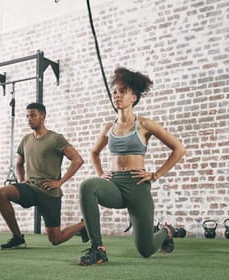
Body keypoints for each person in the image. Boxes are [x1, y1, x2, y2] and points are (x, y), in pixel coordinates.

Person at [77, 67, 186, 266]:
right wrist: (101, 173)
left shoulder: (145, 124)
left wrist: (155, 174)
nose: (117, 95)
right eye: (115, 92)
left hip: (137, 185)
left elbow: (178, 149)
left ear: (133, 97)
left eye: (123, 91)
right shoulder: (108, 127)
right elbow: (94, 153)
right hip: (114, 185)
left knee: (145, 250)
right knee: (87, 186)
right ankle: (98, 248)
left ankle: (166, 232)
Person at [0, 102, 88, 249]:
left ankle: (83, 224)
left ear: (43, 116)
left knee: (55, 239)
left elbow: (78, 160)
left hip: (49, 193)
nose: (29, 119)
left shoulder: (56, 138)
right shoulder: (26, 140)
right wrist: (22, 180)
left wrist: (59, 182)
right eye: (27, 116)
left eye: (33, 115)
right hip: (31, 189)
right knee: (1, 193)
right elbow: (19, 164)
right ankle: (18, 238)